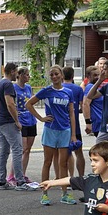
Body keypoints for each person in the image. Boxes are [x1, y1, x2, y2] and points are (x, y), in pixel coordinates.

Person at [26, 65, 77, 206]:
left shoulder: (68, 92)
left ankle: (65, 194)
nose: (54, 77)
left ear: (61, 75)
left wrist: (73, 134)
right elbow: (29, 104)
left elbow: (72, 113)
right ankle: (44, 194)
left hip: (65, 130)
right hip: (50, 130)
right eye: (51, 75)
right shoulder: (47, 91)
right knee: (47, 162)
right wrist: (41, 118)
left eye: (56, 74)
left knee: (63, 163)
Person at [0, 62, 29, 190]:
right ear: (13, 71)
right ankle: (20, 181)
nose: (16, 75)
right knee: (17, 149)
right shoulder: (8, 84)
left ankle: (2, 181)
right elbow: (10, 103)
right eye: (16, 71)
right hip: (8, 121)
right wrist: (17, 121)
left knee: (4, 151)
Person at [10, 66, 38, 184]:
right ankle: (12, 175)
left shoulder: (28, 87)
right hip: (21, 120)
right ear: (19, 75)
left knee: (28, 149)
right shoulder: (13, 88)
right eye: (26, 74)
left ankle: (22, 174)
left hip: (30, 119)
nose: (28, 77)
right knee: (20, 149)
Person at [63, 66, 86, 178]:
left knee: (66, 153)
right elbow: (82, 105)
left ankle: (68, 177)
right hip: (75, 125)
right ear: (72, 76)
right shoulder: (78, 89)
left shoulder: (59, 87)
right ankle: (81, 176)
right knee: (79, 152)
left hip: (63, 125)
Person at [82, 65, 102, 138]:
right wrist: (88, 122)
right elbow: (85, 104)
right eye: (94, 75)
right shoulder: (90, 87)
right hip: (98, 123)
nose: (97, 77)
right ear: (88, 77)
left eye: (98, 75)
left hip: (103, 123)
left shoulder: (97, 87)